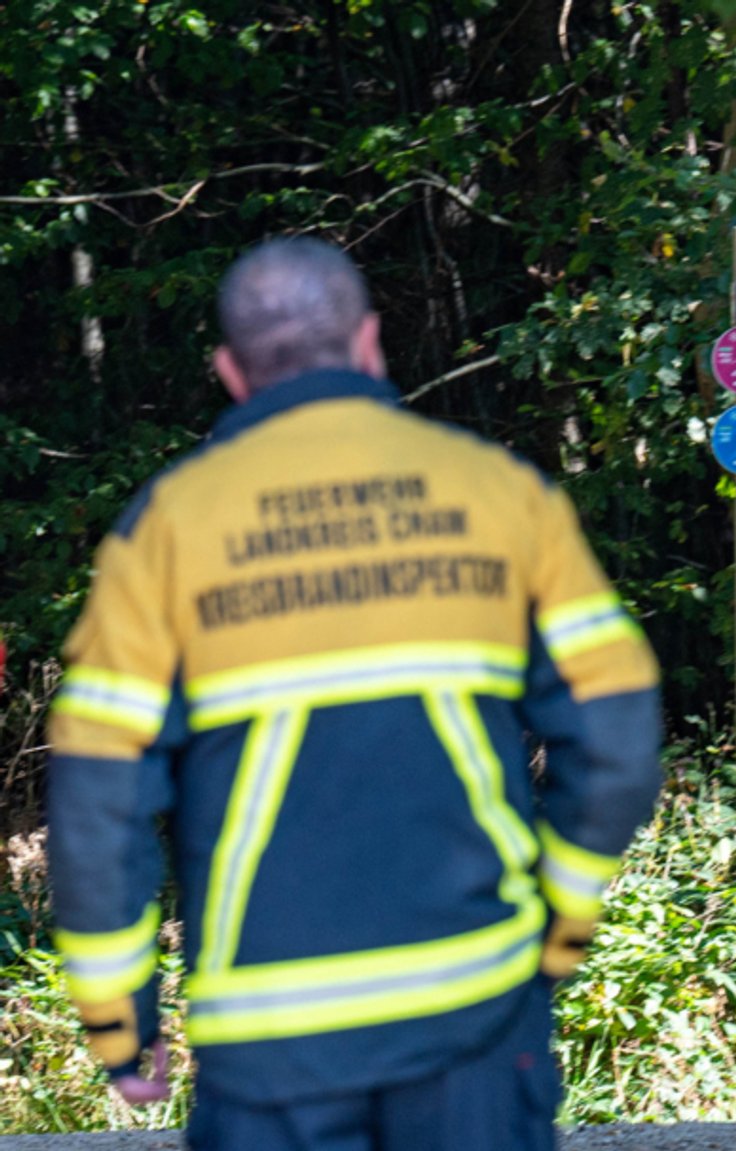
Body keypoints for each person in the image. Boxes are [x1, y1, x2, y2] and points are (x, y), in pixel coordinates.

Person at [44, 237, 664, 1149]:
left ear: (229, 371)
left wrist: (119, 1023)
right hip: (475, 1020)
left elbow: (98, 799)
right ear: (371, 343)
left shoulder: (167, 530)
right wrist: (557, 932)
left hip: (269, 1050)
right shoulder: (497, 492)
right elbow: (616, 739)